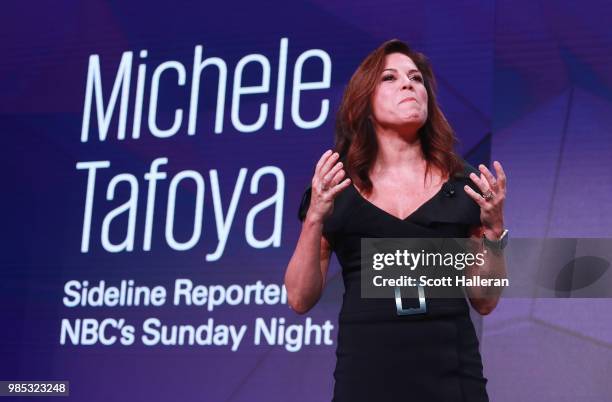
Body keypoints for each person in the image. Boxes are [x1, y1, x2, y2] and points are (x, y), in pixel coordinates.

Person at [284, 39, 507, 402]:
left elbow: (485, 301)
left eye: (416, 78)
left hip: (453, 380)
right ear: (365, 103)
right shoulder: (336, 187)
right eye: (390, 77)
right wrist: (314, 219)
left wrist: (496, 230)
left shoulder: (464, 184)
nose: (408, 84)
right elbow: (298, 298)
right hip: (365, 380)